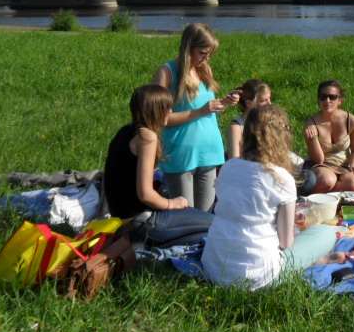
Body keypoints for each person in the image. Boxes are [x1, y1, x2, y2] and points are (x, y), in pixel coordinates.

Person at [202, 103, 342, 289]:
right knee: (325, 233)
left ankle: (309, 260)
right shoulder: (281, 178)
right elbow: (285, 242)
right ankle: (311, 261)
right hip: (257, 276)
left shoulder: (228, 167)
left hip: (213, 268)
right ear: (280, 136)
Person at [103, 85, 214, 246]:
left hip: (122, 218)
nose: (170, 111)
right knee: (214, 225)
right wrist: (172, 203)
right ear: (155, 110)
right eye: (166, 107)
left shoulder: (126, 131)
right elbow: (145, 194)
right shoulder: (146, 137)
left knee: (201, 229)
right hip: (141, 221)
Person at [152, 23, 239, 212]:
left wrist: (222, 103)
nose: (206, 58)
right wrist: (201, 111)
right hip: (181, 155)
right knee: (185, 216)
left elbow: (206, 110)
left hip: (209, 152)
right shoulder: (166, 73)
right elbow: (160, 119)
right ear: (188, 48)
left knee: (207, 215)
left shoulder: (204, 70)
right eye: (202, 53)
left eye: (209, 53)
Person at [302, 80, 354, 193]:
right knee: (327, 180)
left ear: (340, 100)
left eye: (332, 97)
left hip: (344, 166)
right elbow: (318, 159)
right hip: (321, 165)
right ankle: (332, 193)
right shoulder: (311, 124)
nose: (327, 101)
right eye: (323, 97)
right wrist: (313, 139)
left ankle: (324, 194)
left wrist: (353, 166)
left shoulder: (351, 120)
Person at [226, 79, 271, 159]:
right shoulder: (236, 128)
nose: (269, 104)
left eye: (269, 99)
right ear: (249, 103)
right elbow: (233, 162)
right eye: (264, 101)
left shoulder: (268, 122)